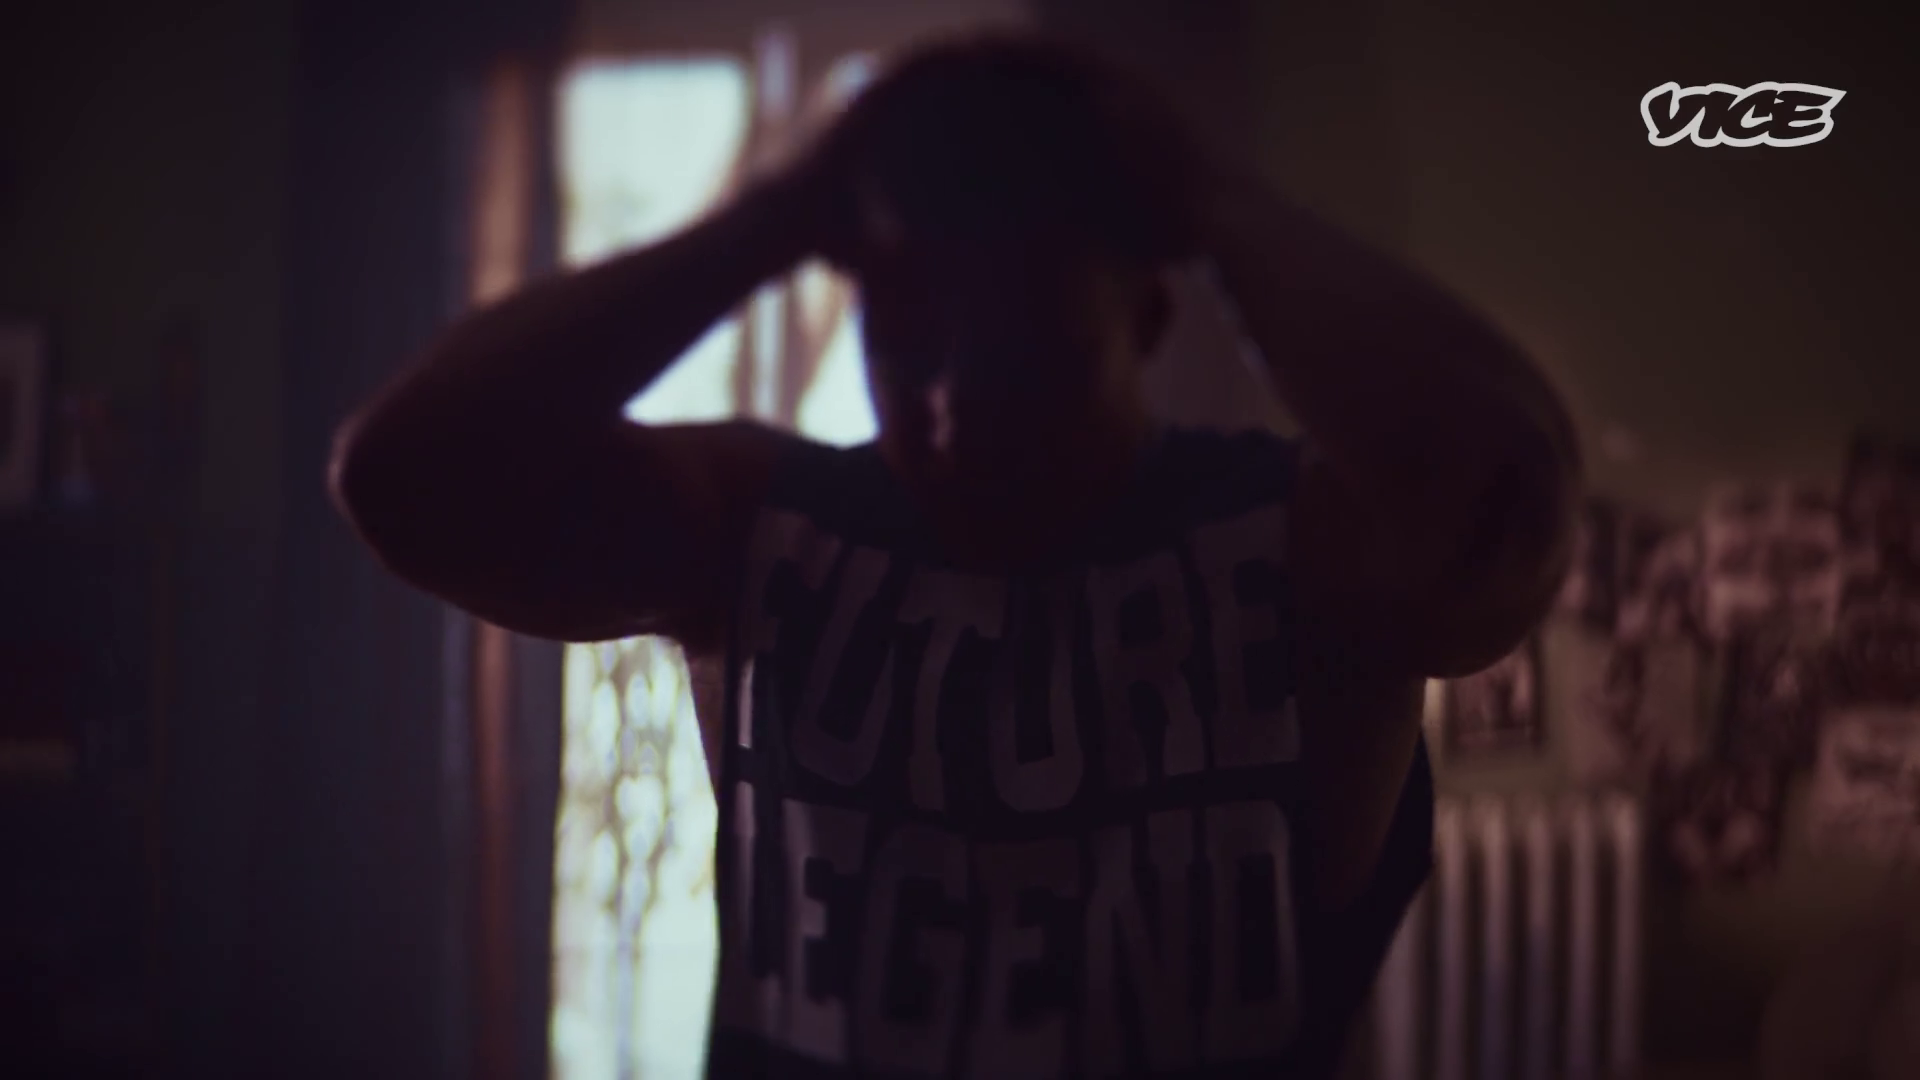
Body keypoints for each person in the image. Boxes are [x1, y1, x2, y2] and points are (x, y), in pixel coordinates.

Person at [329, 31, 1580, 1080]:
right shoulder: (760, 526)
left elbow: (1511, 499)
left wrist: (1212, 201)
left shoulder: (1301, 546)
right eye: (905, 335)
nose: (953, 404)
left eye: (1027, 341)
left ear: (1146, 317)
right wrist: (777, 216)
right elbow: (404, 480)